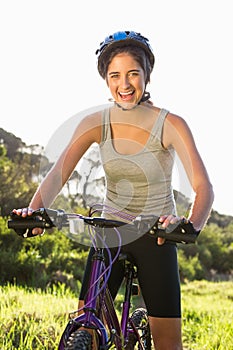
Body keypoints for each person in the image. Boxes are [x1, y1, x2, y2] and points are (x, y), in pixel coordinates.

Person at [13, 31, 214, 349]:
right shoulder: (96, 121)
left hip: (155, 237)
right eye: (115, 75)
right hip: (109, 233)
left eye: (133, 73)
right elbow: (58, 174)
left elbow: (204, 188)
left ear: (146, 75)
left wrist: (190, 225)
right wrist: (34, 211)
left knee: (167, 344)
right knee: (88, 329)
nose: (124, 84)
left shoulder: (170, 124)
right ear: (106, 79)